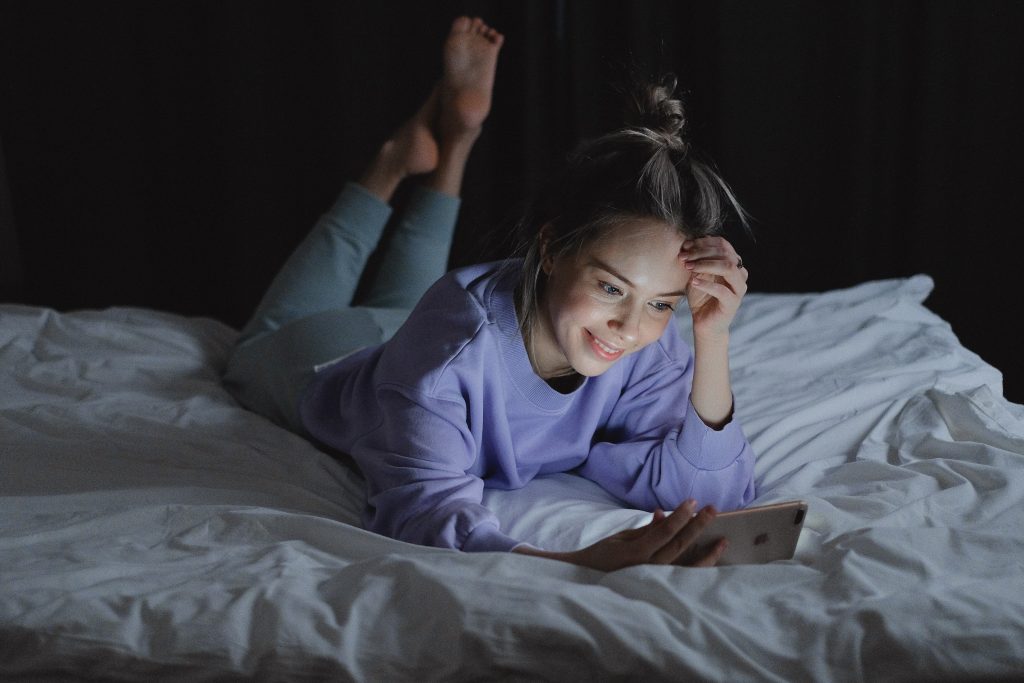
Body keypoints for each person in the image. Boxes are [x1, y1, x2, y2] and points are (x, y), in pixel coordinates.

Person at [223, 16, 755, 572]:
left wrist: (711, 338)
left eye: (660, 303)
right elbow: (422, 510)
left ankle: (454, 145)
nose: (629, 326)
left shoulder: (646, 337)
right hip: (323, 353)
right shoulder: (448, 353)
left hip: (412, 337)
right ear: (550, 250)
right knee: (258, 342)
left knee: (407, 304)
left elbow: (713, 493)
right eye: (609, 286)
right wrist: (568, 561)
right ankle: (385, 169)